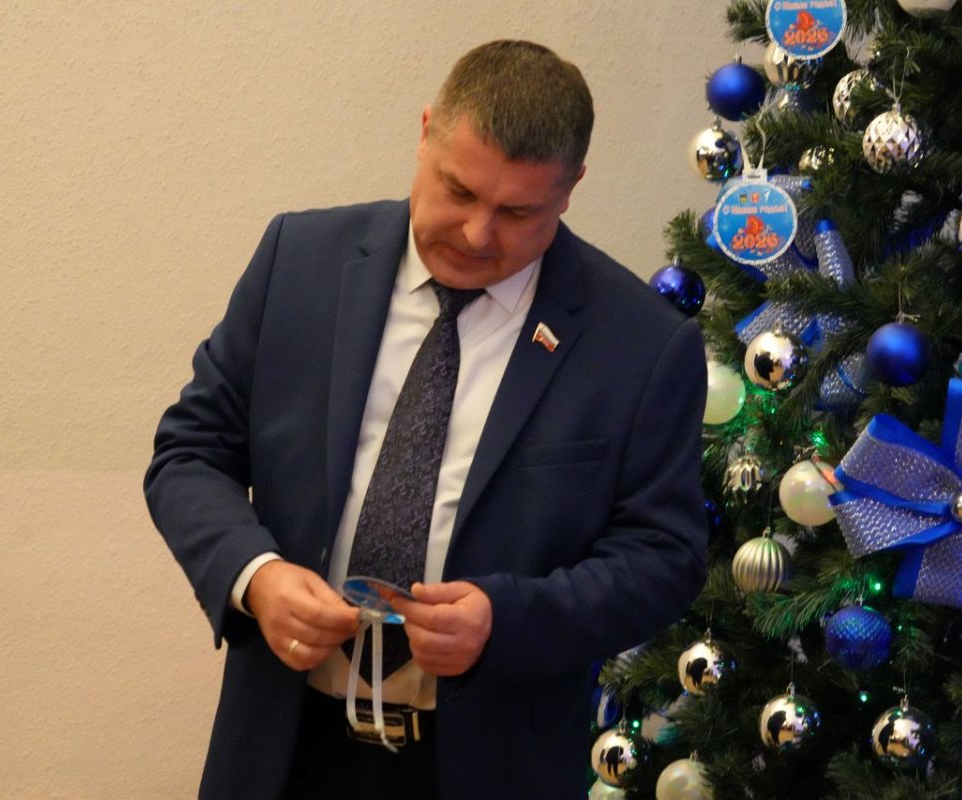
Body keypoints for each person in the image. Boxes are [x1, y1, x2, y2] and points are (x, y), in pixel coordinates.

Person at [145, 39, 709, 800]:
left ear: (571, 188)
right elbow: (190, 452)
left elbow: (663, 557)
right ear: (424, 133)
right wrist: (257, 576)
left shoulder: (640, 342)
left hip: (489, 762)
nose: (478, 234)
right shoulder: (300, 262)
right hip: (284, 746)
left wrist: (506, 619)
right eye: (458, 191)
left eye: (518, 212)